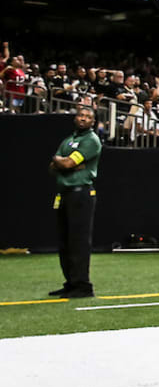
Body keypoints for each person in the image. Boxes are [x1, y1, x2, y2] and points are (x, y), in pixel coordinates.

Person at [47, 106, 101, 298]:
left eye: (88, 117)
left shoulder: (91, 140)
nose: (83, 119)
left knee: (78, 241)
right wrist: (62, 162)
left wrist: (64, 162)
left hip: (81, 193)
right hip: (65, 193)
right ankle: (70, 282)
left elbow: (67, 164)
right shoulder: (69, 140)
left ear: (93, 122)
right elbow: (53, 167)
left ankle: (82, 286)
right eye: (81, 115)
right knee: (65, 241)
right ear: (75, 118)